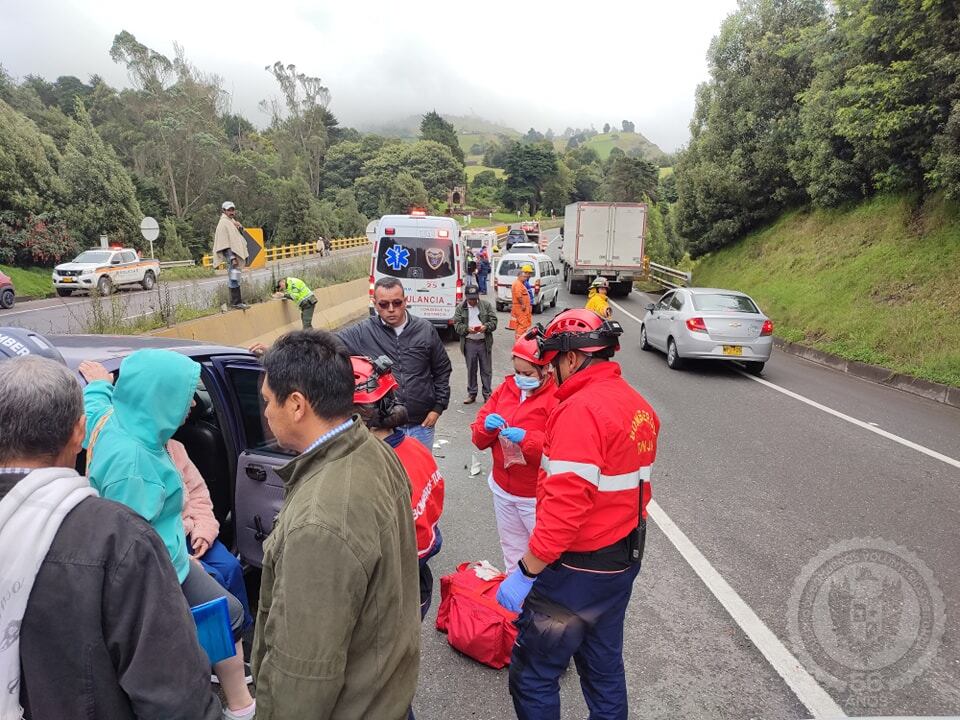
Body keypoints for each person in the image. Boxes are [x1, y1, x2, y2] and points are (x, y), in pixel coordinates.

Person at [0, 355, 220, 720]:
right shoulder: (122, 538)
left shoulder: (107, 429)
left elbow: (98, 404)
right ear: (79, 432)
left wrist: (101, 383)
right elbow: (173, 697)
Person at [496, 309, 660, 720]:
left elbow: (564, 510)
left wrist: (526, 571)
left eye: (552, 363)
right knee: (603, 669)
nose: (549, 372)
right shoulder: (637, 405)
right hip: (620, 562)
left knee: (534, 674)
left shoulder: (580, 411)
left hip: (574, 575)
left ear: (571, 358)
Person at [79, 351, 255, 720]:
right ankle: (232, 704)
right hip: (158, 575)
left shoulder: (116, 419)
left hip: (173, 559)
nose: (192, 403)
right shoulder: (134, 467)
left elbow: (95, 404)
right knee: (220, 619)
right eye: (183, 393)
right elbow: (133, 548)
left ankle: (238, 703)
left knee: (227, 614)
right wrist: (179, 565)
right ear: (158, 397)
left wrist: (97, 383)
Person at [252, 330, 420, 719]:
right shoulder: (372, 448)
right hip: (384, 691)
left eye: (266, 401)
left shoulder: (319, 522)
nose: (264, 413)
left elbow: (304, 675)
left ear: (296, 405)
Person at [350, 355, 444, 620]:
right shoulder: (416, 449)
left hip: (393, 590)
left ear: (357, 417)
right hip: (419, 580)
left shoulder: (374, 471)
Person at [471, 336, 558, 573]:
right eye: (517, 371)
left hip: (534, 496)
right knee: (511, 548)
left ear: (546, 369)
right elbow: (478, 439)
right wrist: (485, 428)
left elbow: (559, 451)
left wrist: (527, 439)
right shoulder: (505, 390)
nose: (521, 378)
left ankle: (541, 603)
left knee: (543, 555)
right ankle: (516, 598)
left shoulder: (557, 399)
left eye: (528, 374)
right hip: (502, 489)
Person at [337, 276, 452, 450]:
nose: (391, 309)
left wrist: (438, 407)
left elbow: (442, 370)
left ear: (406, 301)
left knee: (418, 474)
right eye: (383, 305)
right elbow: (327, 344)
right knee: (385, 477)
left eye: (397, 303)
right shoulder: (362, 332)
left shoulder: (425, 329)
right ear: (375, 303)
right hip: (383, 430)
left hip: (422, 426)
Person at [170, 439, 255, 647]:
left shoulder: (175, 448)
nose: (191, 404)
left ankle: (240, 634)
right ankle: (217, 651)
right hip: (169, 545)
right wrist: (182, 559)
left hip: (192, 532)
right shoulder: (130, 458)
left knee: (231, 566)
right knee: (212, 580)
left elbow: (199, 495)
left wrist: (203, 532)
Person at [454, 284, 498, 404]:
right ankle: (472, 394)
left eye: (474, 298)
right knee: (471, 369)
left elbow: (494, 322)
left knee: (486, 370)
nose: (472, 301)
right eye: (470, 299)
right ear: (466, 297)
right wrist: (467, 329)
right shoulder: (460, 308)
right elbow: (456, 325)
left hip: (484, 342)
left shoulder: (486, 305)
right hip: (469, 343)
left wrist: (485, 327)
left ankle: (487, 394)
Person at [212, 201, 249, 309]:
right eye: (229, 210)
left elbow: (239, 236)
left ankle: (237, 302)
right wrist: (232, 258)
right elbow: (225, 243)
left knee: (236, 277)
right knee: (234, 278)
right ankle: (236, 302)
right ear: (224, 211)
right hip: (231, 256)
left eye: (233, 209)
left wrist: (240, 226)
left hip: (234, 255)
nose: (231, 212)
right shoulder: (223, 223)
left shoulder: (231, 221)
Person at [510, 263, 534, 339]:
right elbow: (518, 295)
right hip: (520, 308)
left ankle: (518, 339)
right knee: (523, 324)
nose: (526, 278)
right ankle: (520, 340)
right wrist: (523, 305)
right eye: (524, 276)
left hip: (520, 307)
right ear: (519, 276)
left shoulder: (520, 283)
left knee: (519, 324)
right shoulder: (518, 284)